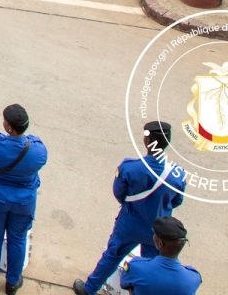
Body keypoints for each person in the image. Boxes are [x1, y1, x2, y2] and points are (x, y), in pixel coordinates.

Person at [72, 121, 188, 295]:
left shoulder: (130, 168)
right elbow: (177, 201)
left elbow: (119, 193)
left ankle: (89, 289)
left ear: (146, 141)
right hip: (157, 230)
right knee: (151, 268)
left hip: (129, 224)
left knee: (113, 255)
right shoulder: (177, 175)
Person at [0, 104, 49, 294]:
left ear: (8, 127)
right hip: (24, 202)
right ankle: (12, 282)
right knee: (17, 239)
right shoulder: (38, 150)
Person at [120, 216, 201, 295]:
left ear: (159, 243)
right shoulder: (194, 278)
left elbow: (124, 284)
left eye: (154, 234)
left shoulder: (135, 267)